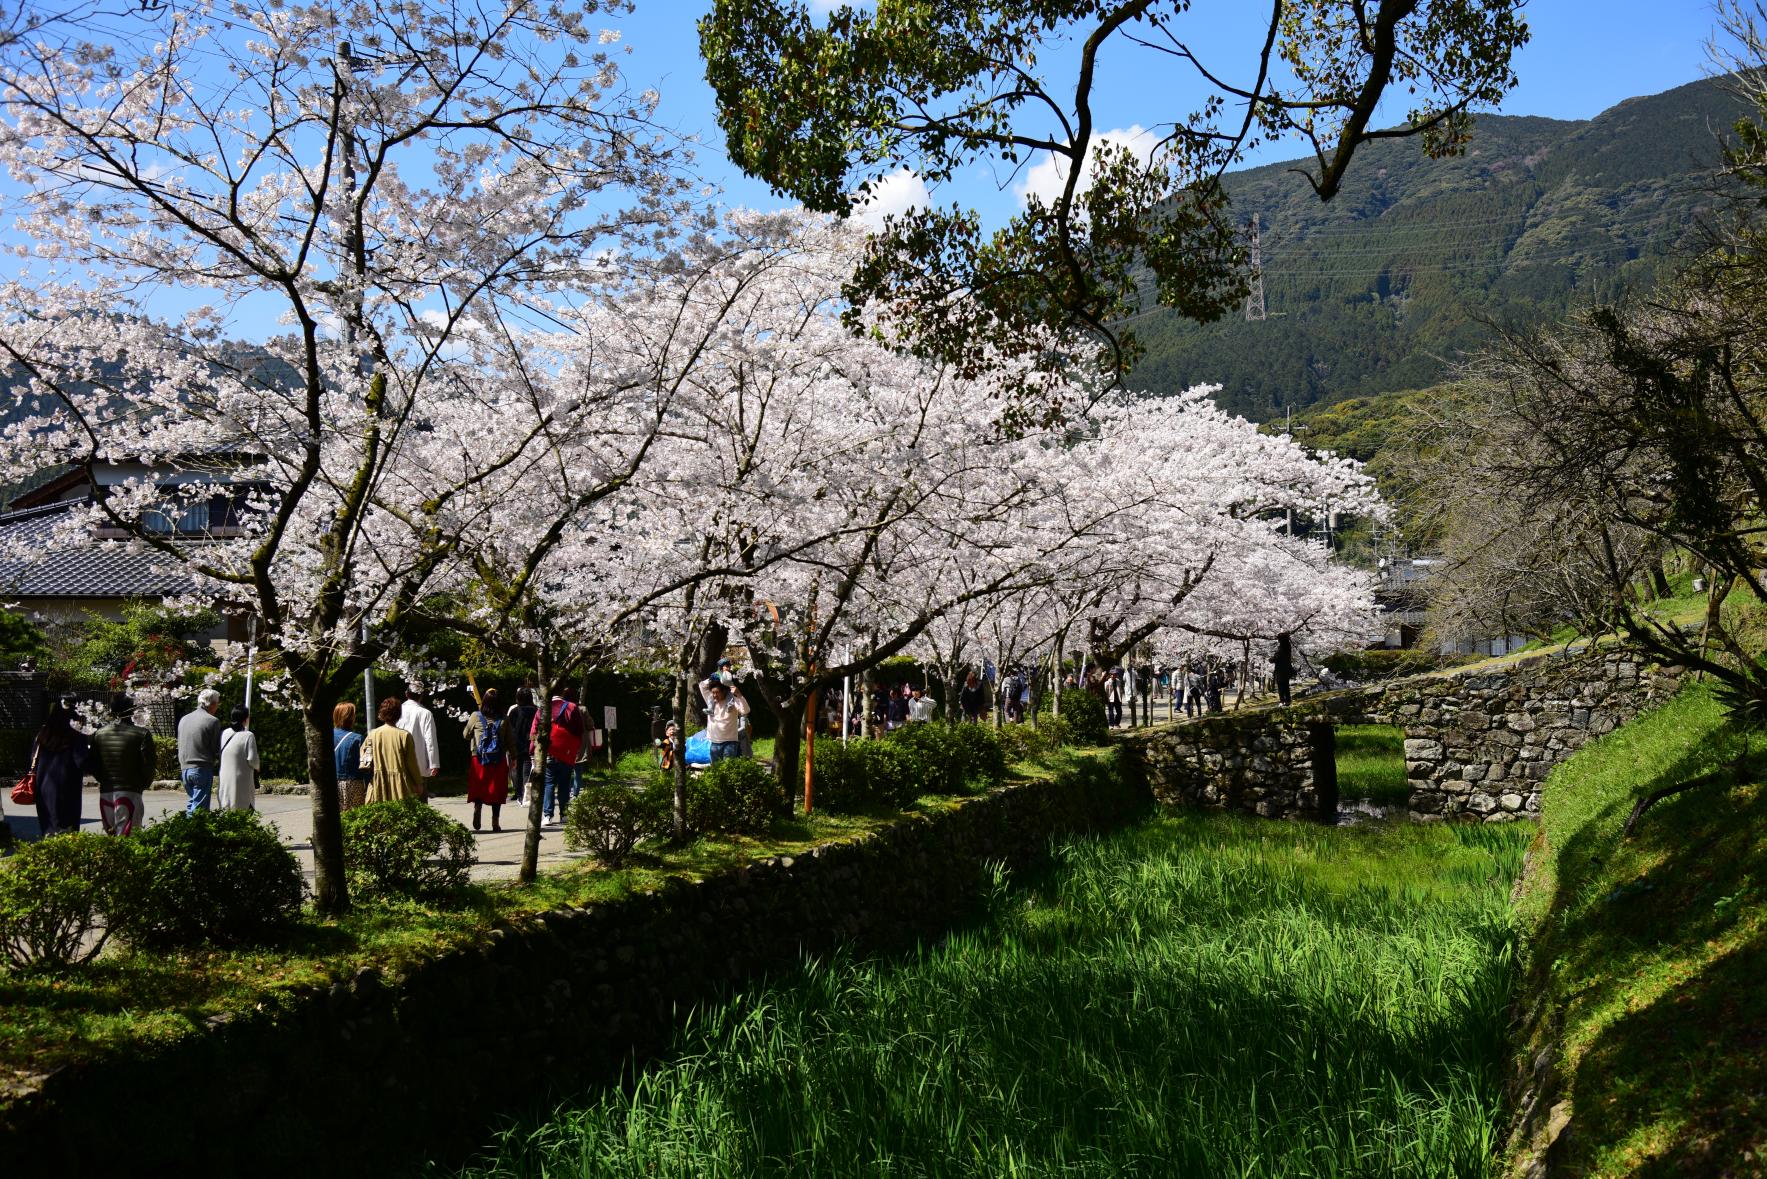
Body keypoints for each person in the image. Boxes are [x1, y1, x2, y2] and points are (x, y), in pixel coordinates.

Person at [91, 693, 155, 836]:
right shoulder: (142, 734)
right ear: (132, 710)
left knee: (112, 835)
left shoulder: (99, 734)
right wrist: (143, 784)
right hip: (131, 790)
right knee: (129, 835)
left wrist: (103, 779)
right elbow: (148, 765)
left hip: (106, 790)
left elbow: (93, 764)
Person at [31, 696, 89, 836]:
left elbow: (33, 758)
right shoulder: (75, 734)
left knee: (49, 828)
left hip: (43, 786)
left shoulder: (44, 732)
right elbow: (81, 761)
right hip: (67, 787)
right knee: (66, 831)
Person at [534, 685, 585, 823]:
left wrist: (532, 752)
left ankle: (547, 815)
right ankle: (564, 814)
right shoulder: (571, 707)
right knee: (564, 783)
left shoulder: (542, 709)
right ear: (563, 691)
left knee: (549, 783)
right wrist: (576, 748)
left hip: (548, 751)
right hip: (566, 752)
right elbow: (579, 730)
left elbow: (534, 730)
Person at [463, 687, 508, 832]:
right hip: (498, 759)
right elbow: (510, 739)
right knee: (496, 789)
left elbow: (465, 734)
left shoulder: (476, 716)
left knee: (479, 787)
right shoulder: (503, 718)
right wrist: (513, 756)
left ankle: (478, 807)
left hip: (479, 758)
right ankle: (495, 821)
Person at [365, 696, 425, 803]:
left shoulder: (372, 734)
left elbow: (365, 759)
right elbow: (412, 763)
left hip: (378, 783)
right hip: (400, 784)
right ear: (399, 714)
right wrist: (418, 783)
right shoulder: (404, 735)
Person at [177, 687, 223, 814]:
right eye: (217, 703)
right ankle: (194, 833)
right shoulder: (212, 721)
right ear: (212, 704)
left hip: (185, 768)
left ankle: (186, 830)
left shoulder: (184, 719)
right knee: (200, 810)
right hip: (201, 768)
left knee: (192, 803)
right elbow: (215, 748)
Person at [216, 704, 260, 811]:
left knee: (226, 809)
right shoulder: (248, 735)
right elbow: (252, 760)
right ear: (245, 719)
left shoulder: (224, 733)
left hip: (224, 778)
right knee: (243, 810)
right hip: (242, 780)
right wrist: (258, 767)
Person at [698, 674, 749, 764]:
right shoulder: (710, 700)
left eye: (717, 692)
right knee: (716, 770)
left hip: (730, 742)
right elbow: (702, 685)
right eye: (713, 692)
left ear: (724, 691)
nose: (714, 695)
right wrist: (717, 675)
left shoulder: (732, 701)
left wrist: (739, 695)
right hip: (714, 742)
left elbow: (745, 710)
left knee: (728, 768)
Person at [398, 684, 441, 784]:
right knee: (419, 792)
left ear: (406, 694)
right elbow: (430, 739)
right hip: (418, 759)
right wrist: (433, 763)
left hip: (398, 757)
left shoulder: (397, 710)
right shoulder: (425, 713)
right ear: (421, 695)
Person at [506, 687, 538, 806]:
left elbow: (510, 730)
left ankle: (519, 793)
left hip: (515, 745)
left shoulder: (514, 711)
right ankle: (526, 794)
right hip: (530, 744)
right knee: (527, 770)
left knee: (515, 769)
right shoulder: (536, 710)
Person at [333, 702, 367, 811]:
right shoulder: (357, 738)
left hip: (332, 783)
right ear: (350, 717)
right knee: (354, 818)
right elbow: (365, 765)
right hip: (353, 784)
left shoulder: (325, 735)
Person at [1274, 633, 1294, 707]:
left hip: (1280, 669)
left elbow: (1278, 658)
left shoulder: (1282, 648)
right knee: (1285, 685)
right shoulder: (1288, 646)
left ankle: (1282, 701)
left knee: (1281, 685)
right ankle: (1288, 700)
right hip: (1286, 668)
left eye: (1278, 638)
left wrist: (1272, 659)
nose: (1278, 640)